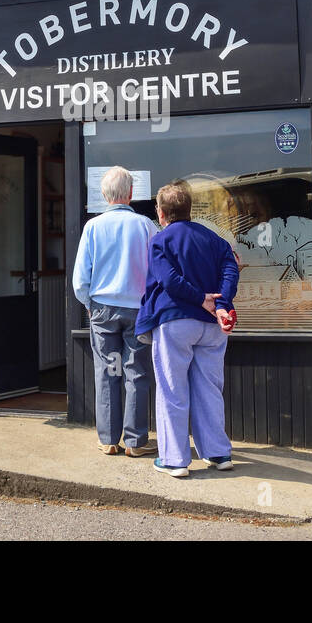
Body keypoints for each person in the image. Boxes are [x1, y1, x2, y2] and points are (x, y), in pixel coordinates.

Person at [135, 183, 239, 478]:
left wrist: (199, 299)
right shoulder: (213, 238)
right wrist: (221, 302)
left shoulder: (160, 240)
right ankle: (219, 453)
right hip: (212, 326)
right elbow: (230, 267)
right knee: (209, 388)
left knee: (172, 389)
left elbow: (168, 279)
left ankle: (174, 460)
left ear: (162, 213)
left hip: (176, 321)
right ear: (189, 210)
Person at [72, 166, 160, 457]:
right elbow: (157, 271)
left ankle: (109, 439)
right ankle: (136, 442)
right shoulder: (146, 226)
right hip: (138, 308)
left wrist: (89, 303)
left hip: (103, 308)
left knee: (107, 372)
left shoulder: (93, 227)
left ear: (104, 194)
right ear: (131, 193)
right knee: (137, 373)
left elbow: (80, 279)